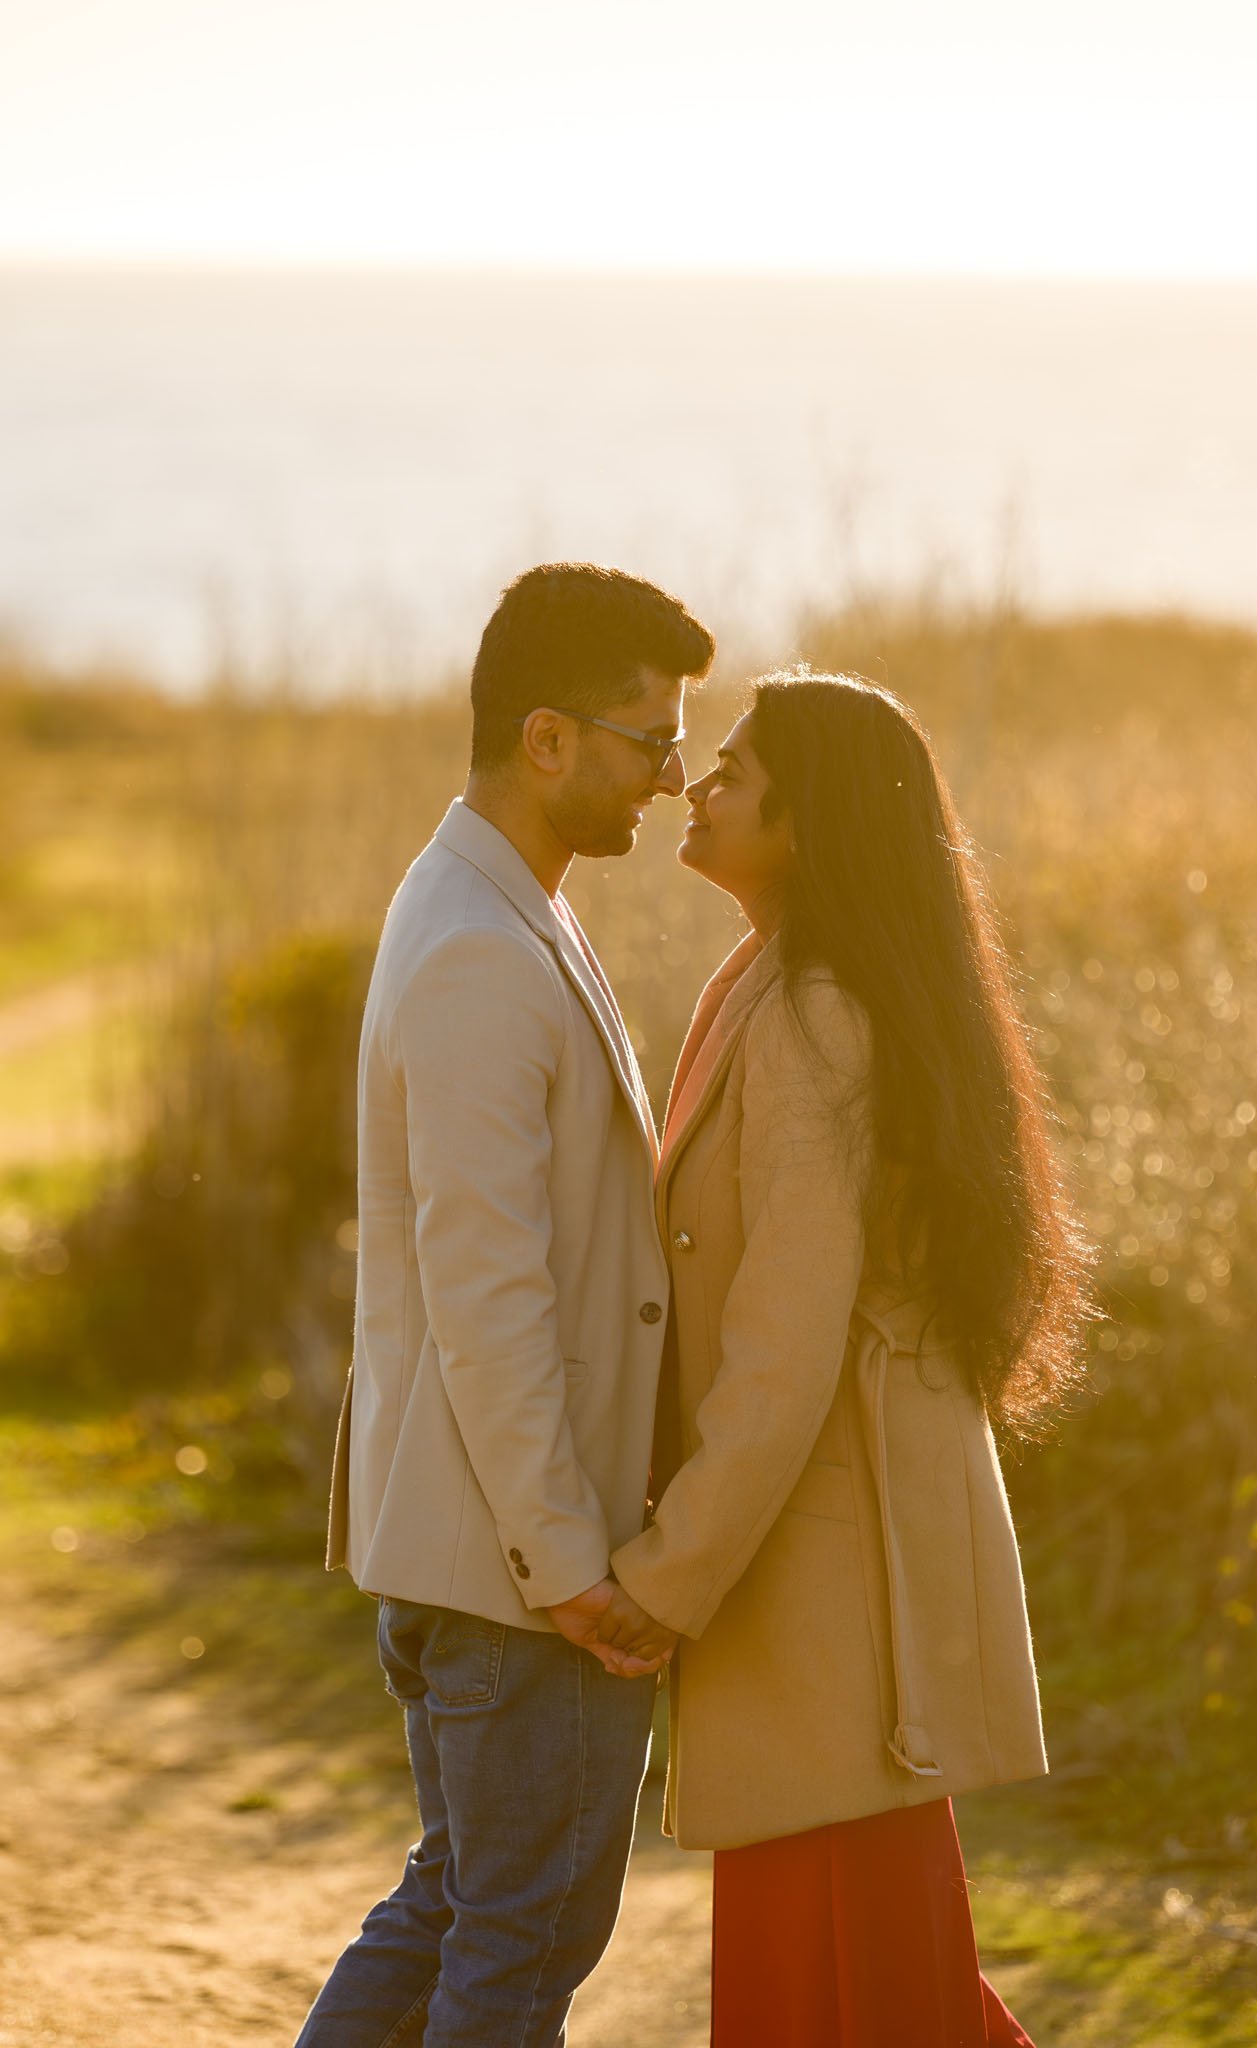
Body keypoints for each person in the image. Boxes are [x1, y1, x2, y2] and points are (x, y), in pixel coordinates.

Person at [598, 669, 1092, 2047]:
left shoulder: (818, 1014)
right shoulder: (765, 977)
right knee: (877, 1986)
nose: (702, 784)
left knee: (845, 1991)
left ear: (809, 823)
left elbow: (783, 1345)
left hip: (821, 1590)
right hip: (813, 1586)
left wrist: (668, 1575)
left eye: (738, 772)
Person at [295, 563, 713, 2048]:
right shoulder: (480, 944)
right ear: (548, 739)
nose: (672, 778)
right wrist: (568, 1560)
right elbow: (489, 1295)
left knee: (464, 1906)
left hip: (480, 1557)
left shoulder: (494, 899)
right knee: (522, 1941)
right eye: (648, 738)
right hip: (511, 1569)